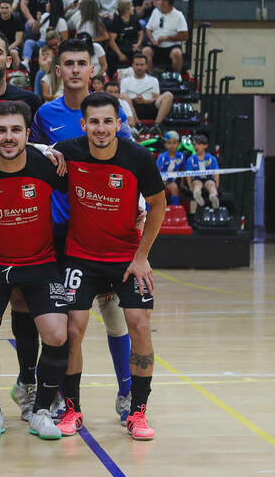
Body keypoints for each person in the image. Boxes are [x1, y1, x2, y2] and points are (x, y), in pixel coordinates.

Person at [53, 92, 166, 440]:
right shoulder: (68, 151)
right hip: (81, 257)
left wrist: (142, 256)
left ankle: (137, 412)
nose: (101, 129)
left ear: (119, 124)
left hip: (126, 259)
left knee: (139, 325)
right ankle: (72, 408)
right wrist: (48, 152)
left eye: (108, 122)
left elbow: (157, 206)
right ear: (83, 124)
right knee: (73, 329)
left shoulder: (139, 159)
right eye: (94, 122)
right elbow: (27, 151)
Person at [0, 101, 71, 439]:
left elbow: (83, 180)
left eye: (16, 130)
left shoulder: (47, 164)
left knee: (57, 334)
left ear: (26, 133)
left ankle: (40, 411)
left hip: (40, 263)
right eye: (1, 131)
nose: (9, 137)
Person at [119, 54, 174, 131]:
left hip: (150, 106)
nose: (139, 67)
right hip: (133, 108)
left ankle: (156, 125)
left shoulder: (153, 80)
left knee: (168, 95)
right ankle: (138, 124)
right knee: (123, 96)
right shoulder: (125, 81)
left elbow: (156, 98)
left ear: (146, 66)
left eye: (142, 65)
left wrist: (144, 101)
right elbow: (123, 100)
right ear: (133, 65)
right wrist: (134, 99)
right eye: (137, 65)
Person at [142, 0, 188, 73]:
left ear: (166, 3)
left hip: (171, 46)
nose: (156, 1)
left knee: (177, 53)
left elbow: (185, 36)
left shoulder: (178, 15)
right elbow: (148, 29)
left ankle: (176, 77)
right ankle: (150, 77)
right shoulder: (155, 12)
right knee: (146, 51)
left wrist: (167, 38)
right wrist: (152, 39)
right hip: (155, 46)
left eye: (159, 0)